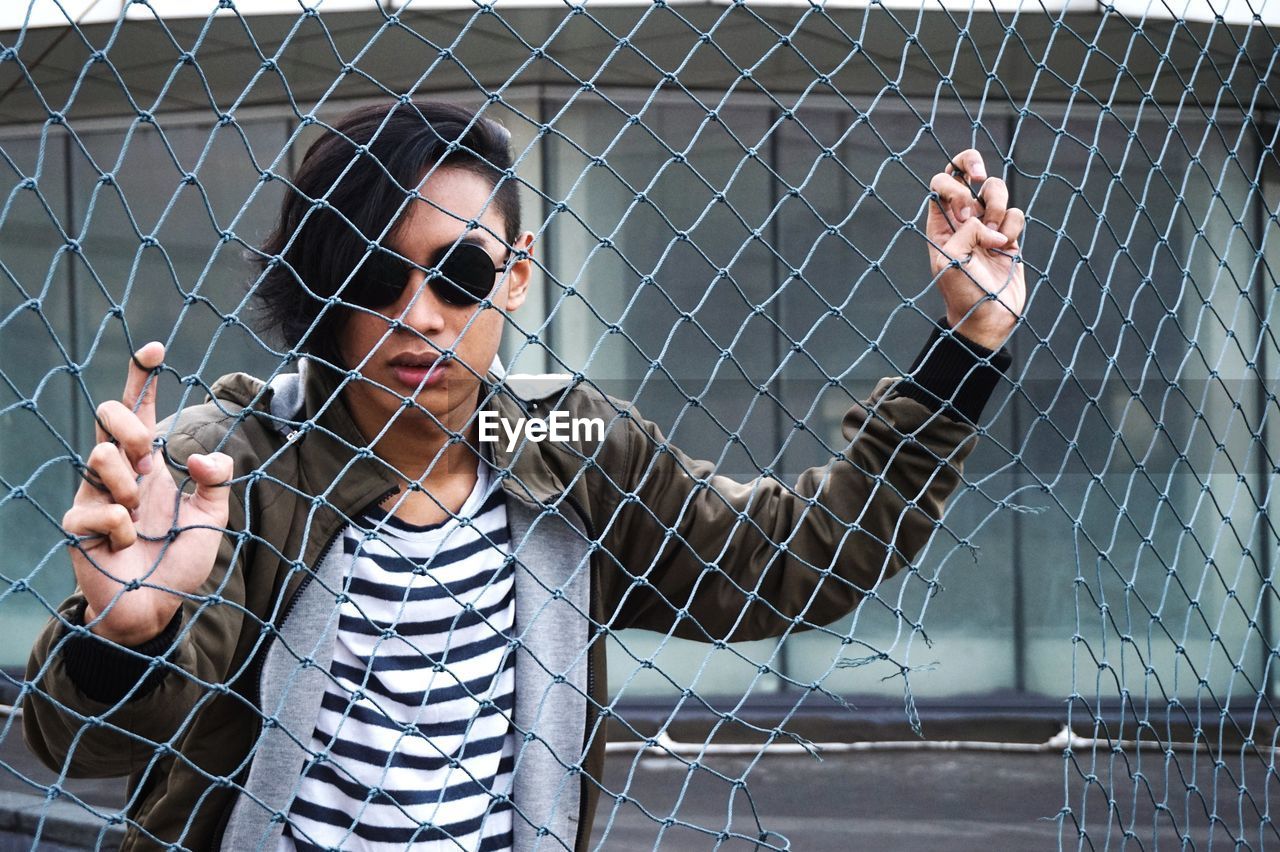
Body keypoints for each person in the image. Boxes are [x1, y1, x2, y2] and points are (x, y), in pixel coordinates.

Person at [23, 100, 1024, 852]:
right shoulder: (227, 461)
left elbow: (792, 556)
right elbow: (78, 749)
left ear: (516, 272)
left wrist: (966, 347)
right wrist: (125, 641)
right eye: (375, 278)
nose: (419, 317)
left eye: (457, 275)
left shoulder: (569, 440)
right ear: (321, 286)